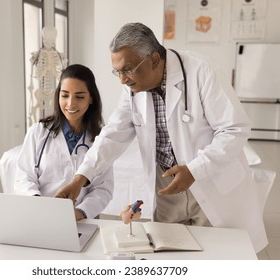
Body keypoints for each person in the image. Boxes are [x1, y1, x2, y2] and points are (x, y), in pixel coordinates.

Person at [55, 23, 267, 252]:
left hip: (209, 180)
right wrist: (80, 177)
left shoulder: (202, 71)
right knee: (169, 255)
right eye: (118, 72)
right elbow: (112, 134)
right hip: (166, 186)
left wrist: (195, 170)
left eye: (128, 69)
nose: (122, 80)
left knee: (216, 256)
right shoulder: (132, 88)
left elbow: (235, 129)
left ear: (154, 59)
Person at [15, 64, 113, 220]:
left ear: (91, 98)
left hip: (81, 220)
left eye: (79, 96)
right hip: (40, 216)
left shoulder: (100, 139)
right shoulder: (38, 131)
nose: (70, 104)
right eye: (65, 95)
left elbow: (103, 189)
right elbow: (23, 177)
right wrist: (37, 203)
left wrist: (79, 213)